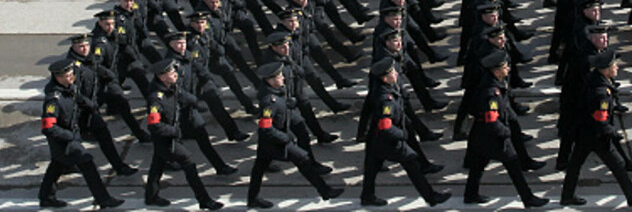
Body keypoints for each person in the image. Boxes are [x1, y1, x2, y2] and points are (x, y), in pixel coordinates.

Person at [559, 49, 632, 207]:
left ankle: (567, 196)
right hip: (597, 137)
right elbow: (600, 119)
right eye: (615, 65)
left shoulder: (595, 80)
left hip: (584, 133)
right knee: (619, 167)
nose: (617, 68)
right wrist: (612, 133)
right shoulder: (601, 93)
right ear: (606, 69)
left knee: (574, 165)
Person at [247, 62, 344, 208]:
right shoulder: (269, 102)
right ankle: (325, 191)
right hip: (275, 142)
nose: (283, 79)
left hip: (269, 143)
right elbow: (265, 129)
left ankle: (252, 198)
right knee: (303, 159)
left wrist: (289, 104)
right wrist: (284, 138)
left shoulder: (277, 91)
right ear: (270, 80)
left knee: (259, 169)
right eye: (280, 76)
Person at [359, 57, 451, 207]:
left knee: (372, 168)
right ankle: (431, 197)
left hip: (375, 140)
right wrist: (402, 135)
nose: (395, 74)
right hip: (388, 142)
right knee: (413, 164)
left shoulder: (385, 89)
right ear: (384, 77)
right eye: (392, 72)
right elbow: (385, 127)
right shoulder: (386, 100)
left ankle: (367, 196)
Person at [463, 49, 548, 208]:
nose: (508, 69)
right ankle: (528, 198)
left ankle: (470, 195)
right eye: (505, 67)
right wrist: (506, 133)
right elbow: (492, 121)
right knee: (514, 167)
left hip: (480, 136)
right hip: (494, 137)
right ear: (496, 71)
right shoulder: (490, 93)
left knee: (477, 167)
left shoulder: (496, 83)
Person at [38, 58, 124, 209]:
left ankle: (45, 197)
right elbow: (48, 128)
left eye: (72, 75)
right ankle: (103, 199)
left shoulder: (70, 88)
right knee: (87, 162)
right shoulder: (53, 100)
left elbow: (80, 100)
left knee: (57, 165)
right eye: (68, 76)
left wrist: (91, 106)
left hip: (71, 135)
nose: (72, 78)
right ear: (58, 77)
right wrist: (69, 136)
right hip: (64, 140)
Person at [144, 59, 225, 210]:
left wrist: (197, 102)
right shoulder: (156, 99)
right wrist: (174, 131)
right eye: (171, 73)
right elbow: (154, 126)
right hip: (166, 140)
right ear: (162, 78)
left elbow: (184, 96)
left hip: (171, 138)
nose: (175, 74)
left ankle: (151, 196)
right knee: (190, 165)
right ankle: (204, 200)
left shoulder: (172, 88)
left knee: (157, 167)